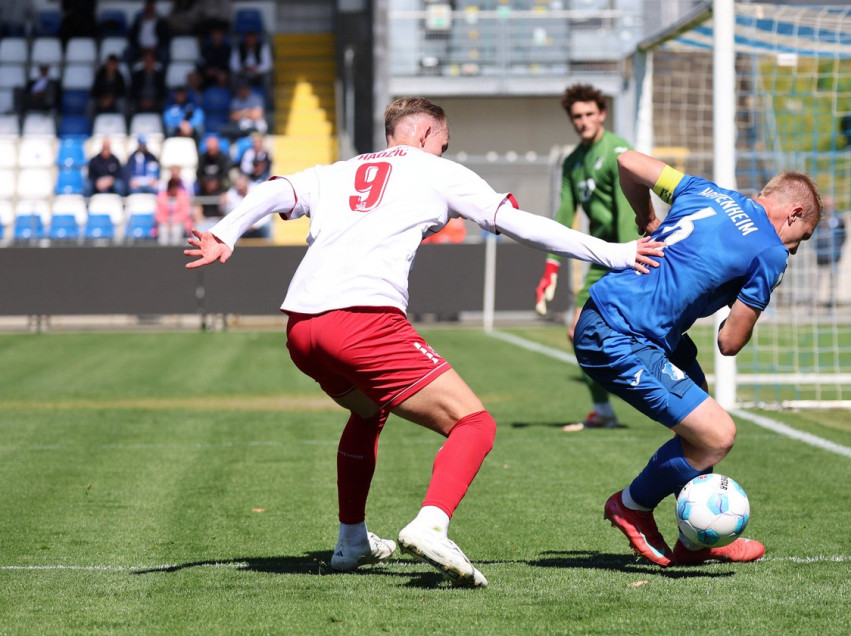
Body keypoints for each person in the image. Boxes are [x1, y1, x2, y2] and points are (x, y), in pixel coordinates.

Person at [183, 96, 665, 588]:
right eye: (444, 143)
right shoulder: (437, 171)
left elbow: (273, 190)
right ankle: (431, 524)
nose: (444, 151)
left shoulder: (337, 171)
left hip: (303, 327)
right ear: (424, 135)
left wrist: (225, 233)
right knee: (474, 424)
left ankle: (352, 539)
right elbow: (520, 224)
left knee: (368, 412)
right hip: (362, 320)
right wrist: (614, 253)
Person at [572, 149, 820, 567]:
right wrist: (760, 287)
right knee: (717, 434)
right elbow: (730, 341)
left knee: (699, 399)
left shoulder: (704, 191)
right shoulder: (771, 253)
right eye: (802, 239)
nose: (794, 251)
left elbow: (627, 161)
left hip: (623, 319)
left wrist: (647, 219)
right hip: (619, 335)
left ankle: (696, 540)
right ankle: (632, 505)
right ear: (793, 213)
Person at [534, 83, 642, 432]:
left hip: (632, 252)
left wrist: (632, 258)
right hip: (601, 259)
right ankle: (603, 411)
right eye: (576, 116)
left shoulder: (618, 152)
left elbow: (627, 211)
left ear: (602, 114)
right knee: (577, 330)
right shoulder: (573, 162)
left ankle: (684, 406)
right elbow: (564, 215)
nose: (583, 121)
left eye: (589, 114)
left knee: (649, 333)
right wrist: (551, 267)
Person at [812, 194, 846, 309]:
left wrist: (838, 248)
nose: (828, 206)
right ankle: (813, 306)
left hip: (834, 255)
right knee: (817, 282)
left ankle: (831, 305)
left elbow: (844, 235)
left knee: (833, 282)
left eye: (830, 204)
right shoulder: (819, 218)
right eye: (826, 204)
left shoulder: (839, 218)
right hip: (820, 256)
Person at [194, 134, 231, 231]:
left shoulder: (223, 158)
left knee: (227, 199)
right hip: (204, 189)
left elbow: (225, 175)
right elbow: (199, 174)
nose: (211, 151)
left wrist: (216, 184)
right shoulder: (203, 158)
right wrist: (207, 184)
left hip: (220, 189)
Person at [220, 173, 270, 239]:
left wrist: (254, 225)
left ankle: (270, 247)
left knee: (267, 226)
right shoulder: (231, 193)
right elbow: (230, 214)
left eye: (241, 182)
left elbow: (266, 211)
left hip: (258, 223)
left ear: (247, 182)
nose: (239, 184)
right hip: (240, 225)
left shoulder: (257, 189)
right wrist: (223, 204)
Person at [127, 0, 172, 65]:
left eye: (151, 8)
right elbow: (131, 36)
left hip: (156, 49)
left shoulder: (161, 22)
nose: (149, 10)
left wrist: (156, 47)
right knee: (128, 53)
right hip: (140, 48)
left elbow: (166, 37)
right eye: (147, 8)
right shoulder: (138, 22)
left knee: (164, 54)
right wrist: (139, 46)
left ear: (154, 9)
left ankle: (163, 74)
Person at [156, 174, 194, 244]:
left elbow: (185, 213)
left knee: (177, 229)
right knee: (163, 229)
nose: (173, 189)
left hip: (179, 222)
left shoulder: (183, 195)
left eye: (175, 187)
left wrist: (173, 221)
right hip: (165, 223)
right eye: (172, 187)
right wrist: (167, 222)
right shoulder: (162, 196)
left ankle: (175, 250)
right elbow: (158, 213)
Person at [129, 48, 167, 114]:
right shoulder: (137, 75)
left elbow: (162, 92)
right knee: (131, 105)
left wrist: (152, 101)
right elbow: (134, 91)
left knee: (163, 104)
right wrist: (141, 101)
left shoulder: (159, 75)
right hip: (140, 101)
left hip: (155, 101)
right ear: (143, 61)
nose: (148, 63)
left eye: (150, 61)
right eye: (146, 60)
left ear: (154, 62)